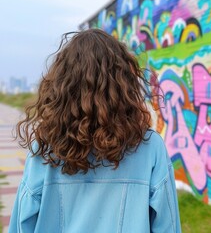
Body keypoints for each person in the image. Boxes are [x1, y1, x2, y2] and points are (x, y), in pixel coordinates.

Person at [9, 29, 181, 233]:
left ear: (62, 87)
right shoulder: (150, 147)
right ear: (124, 85)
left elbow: (22, 224)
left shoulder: (44, 149)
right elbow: (168, 226)